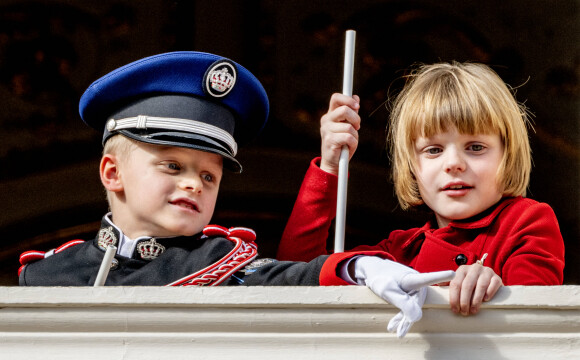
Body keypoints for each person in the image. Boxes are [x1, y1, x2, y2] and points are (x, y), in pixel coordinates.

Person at [17, 51, 454, 338]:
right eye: (172, 166)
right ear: (112, 173)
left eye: (209, 177)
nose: (194, 183)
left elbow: (293, 277)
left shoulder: (223, 263)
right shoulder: (46, 275)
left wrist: (362, 268)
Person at [277, 61, 565, 317]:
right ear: (412, 166)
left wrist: (497, 288)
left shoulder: (526, 222)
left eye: (476, 147)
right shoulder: (400, 249)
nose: (453, 163)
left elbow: (534, 322)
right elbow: (295, 273)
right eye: (433, 149)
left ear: (507, 153)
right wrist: (329, 166)